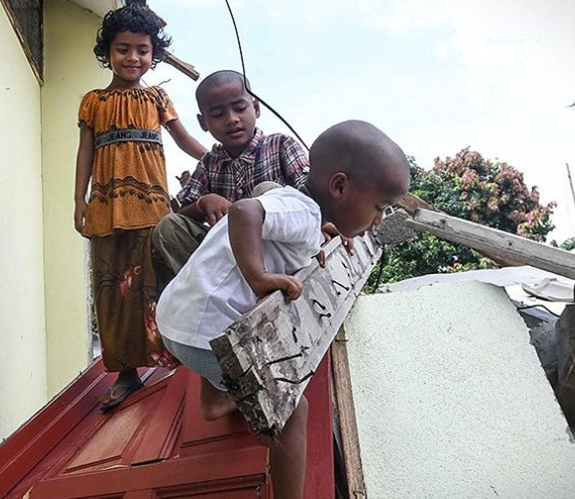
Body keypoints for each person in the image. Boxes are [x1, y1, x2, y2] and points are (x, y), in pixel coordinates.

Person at [156, 120, 411, 499]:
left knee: (227, 347)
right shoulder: (301, 212)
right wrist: (258, 277)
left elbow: (285, 232)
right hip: (201, 334)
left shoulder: (304, 213)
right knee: (294, 412)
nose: (379, 220)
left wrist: (314, 237)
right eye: (379, 207)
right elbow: (244, 211)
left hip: (180, 319)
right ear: (339, 187)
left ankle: (214, 400)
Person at [74, 4, 207, 412]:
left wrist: (224, 160)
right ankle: (126, 374)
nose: (133, 58)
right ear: (107, 52)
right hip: (106, 208)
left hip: (151, 207)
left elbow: (185, 141)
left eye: (142, 50)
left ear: (154, 55)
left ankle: (177, 360)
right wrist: (77, 200)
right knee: (113, 291)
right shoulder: (92, 102)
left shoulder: (157, 97)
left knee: (157, 284)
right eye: (123, 49)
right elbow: (84, 153)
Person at [152, 70, 309, 275]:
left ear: (256, 108)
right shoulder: (209, 164)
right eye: (218, 114)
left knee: (267, 191)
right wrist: (203, 203)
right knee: (168, 227)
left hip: (281, 254)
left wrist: (326, 227)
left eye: (240, 108)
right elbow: (182, 213)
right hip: (230, 260)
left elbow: (309, 198)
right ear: (203, 123)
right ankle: (216, 287)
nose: (232, 119)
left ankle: (267, 276)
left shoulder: (280, 145)